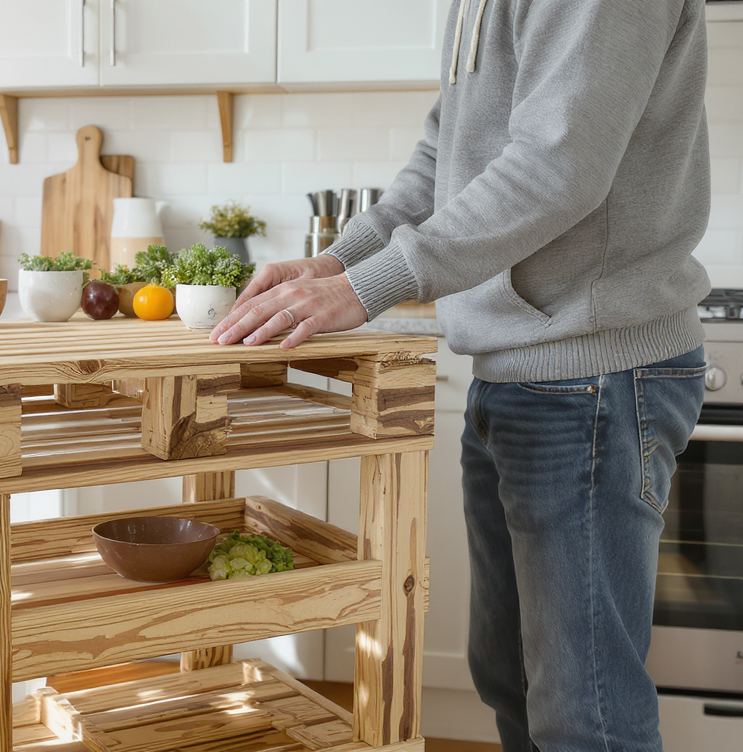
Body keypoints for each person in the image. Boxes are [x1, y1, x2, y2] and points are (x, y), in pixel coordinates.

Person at [210, 1, 712, 750]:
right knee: (509, 675)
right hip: (521, 369)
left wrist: (366, 287)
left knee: (583, 710)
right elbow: (445, 157)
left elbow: (558, 165)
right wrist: (339, 261)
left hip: (592, 374)